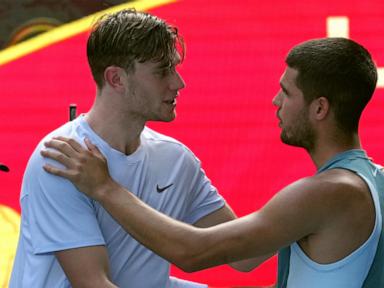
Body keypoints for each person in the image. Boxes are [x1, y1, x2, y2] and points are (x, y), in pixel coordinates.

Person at [41, 37, 384, 288]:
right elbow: (251, 263)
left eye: (287, 92)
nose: (276, 101)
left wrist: (104, 187)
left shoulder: (325, 193)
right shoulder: (374, 181)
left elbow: (192, 253)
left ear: (320, 108)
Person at [10, 9, 260, 288]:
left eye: (175, 68)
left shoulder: (177, 160)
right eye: (163, 71)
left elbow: (243, 255)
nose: (179, 83)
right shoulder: (61, 158)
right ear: (116, 79)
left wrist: (306, 216)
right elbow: (94, 284)